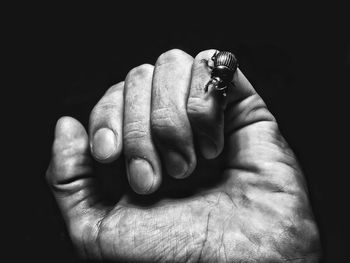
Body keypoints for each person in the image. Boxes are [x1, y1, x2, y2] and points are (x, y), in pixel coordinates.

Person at [46, 49, 321, 262]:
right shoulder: (218, 71)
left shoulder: (223, 77)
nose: (214, 84)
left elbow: (219, 74)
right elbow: (213, 68)